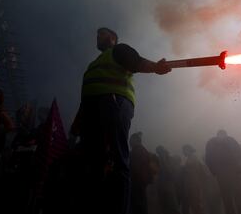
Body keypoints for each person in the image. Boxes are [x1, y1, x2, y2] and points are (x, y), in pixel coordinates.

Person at [70, 27, 171, 214]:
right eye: (97, 34)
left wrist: (156, 67)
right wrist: (77, 122)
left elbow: (137, 62)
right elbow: (87, 96)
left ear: (113, 38)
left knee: (117, 160)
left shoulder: (119, 50)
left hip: (114, 103)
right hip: (92, 112)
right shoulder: (94, 64)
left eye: (103, 33)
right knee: (93, 164)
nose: (98, 36)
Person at [205, 130, 241, 214]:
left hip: (220, 173)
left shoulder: (211, 143)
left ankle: (231, 212)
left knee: (226, 196)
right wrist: (237, 168)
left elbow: (208, 159)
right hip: (231, 172)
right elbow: (239, 153)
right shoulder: (230, 140)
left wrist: (214, 171)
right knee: (236, 195)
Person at [129, 132, 153, 214]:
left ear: (136, 140)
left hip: (137, 182)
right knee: (141, 204)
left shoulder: (137, 151)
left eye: (131, 140)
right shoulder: (142, 150)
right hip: (141, 182)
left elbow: (135, 167)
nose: (129, 142)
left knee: (138, 206)